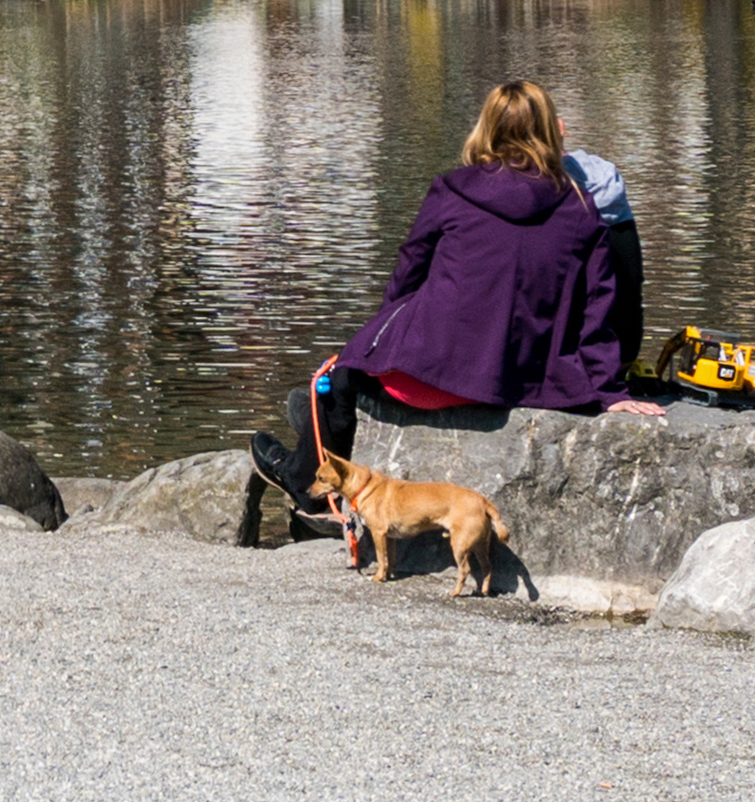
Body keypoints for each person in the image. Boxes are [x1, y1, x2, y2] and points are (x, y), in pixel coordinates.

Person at [251, 80, 650, 524]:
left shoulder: (454, 189)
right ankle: (317, 450)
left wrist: (381, 340)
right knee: (348, 372)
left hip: (430, 383)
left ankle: (306, 486)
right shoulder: (582, 207)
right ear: (553, 130)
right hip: (531, 381)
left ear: (487, 128)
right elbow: (598, 309)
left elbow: (408, 273)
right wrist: (611, 391)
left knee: (340, 375)